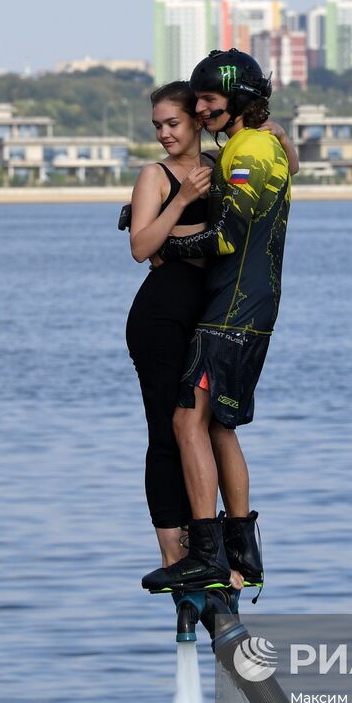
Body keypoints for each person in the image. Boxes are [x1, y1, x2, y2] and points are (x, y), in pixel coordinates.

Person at [141, 50, 294, 597]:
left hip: (232, 310)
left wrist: (165, 244)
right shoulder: (252, 147)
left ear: (239, 99)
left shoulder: (245, 151)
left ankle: (205, 555)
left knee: (187, 422)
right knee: (218, 425)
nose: (202, 109)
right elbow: (282, 175)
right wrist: (280, 135)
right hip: (249, 308)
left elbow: (227, 235)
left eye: (209, 100)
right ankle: (243, 551)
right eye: (198, 101)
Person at [125, 82, 220, 575]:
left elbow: (286, 171)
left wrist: (282, 137)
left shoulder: (218, 166)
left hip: (206, 316)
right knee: (166, 431)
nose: (164, 133)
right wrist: (181, 201)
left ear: (198, 120)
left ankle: (205, 543)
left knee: (203, 429)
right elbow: (141, 247)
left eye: (173, 123)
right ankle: (171, 551)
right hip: (159, 317)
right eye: (157, 126)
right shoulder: (155, 176)